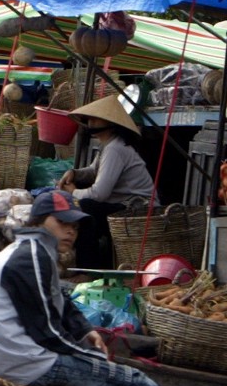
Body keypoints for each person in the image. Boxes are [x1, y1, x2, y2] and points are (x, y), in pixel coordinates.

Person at [0, 190, 195, 386]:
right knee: (134, 382)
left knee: (114, 376)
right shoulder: (30, 258)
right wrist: (90, 357)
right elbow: (47, 331)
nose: (70, 231)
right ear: (38, 221)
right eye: (62, 222)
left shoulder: (33, 252)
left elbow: (59, 299)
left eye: (75, 227)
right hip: (18, 362)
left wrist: (84, 330)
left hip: (9, 359)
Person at [56, 94, 154, 270]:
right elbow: (94, 171)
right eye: (90, 119)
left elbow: (99, 193)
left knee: (85, 209)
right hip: (121, 204)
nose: (90, 123)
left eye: (96, 119)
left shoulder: (115, 149)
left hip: (137, 207)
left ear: (109, 123)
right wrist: (74, 173)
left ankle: (88, 268)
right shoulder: (108, 146)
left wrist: (73, 193)